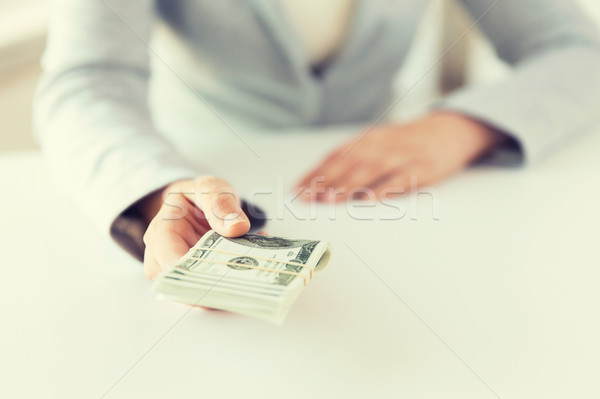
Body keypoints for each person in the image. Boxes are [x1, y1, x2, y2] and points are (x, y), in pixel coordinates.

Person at [34, 0, 600, 279]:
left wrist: (462, 128)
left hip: (389, 200)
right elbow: (86, 83)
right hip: (204, 177)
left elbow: (580, 51)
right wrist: (158, 191)